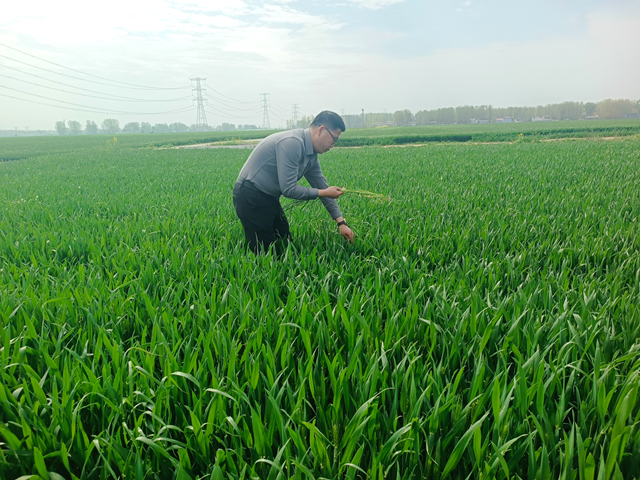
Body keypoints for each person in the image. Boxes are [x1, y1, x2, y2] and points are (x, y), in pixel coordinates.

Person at [233, 110, 354, 254]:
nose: (333, 145)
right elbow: (289, 189)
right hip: (250, 195)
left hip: (269, 197)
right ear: (321, 130)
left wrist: (340, 222)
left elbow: (322, 186)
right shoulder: (293, 143)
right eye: (334, 139)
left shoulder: (311, 155)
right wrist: (324, 192)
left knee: (285, 242)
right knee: (264, 253)